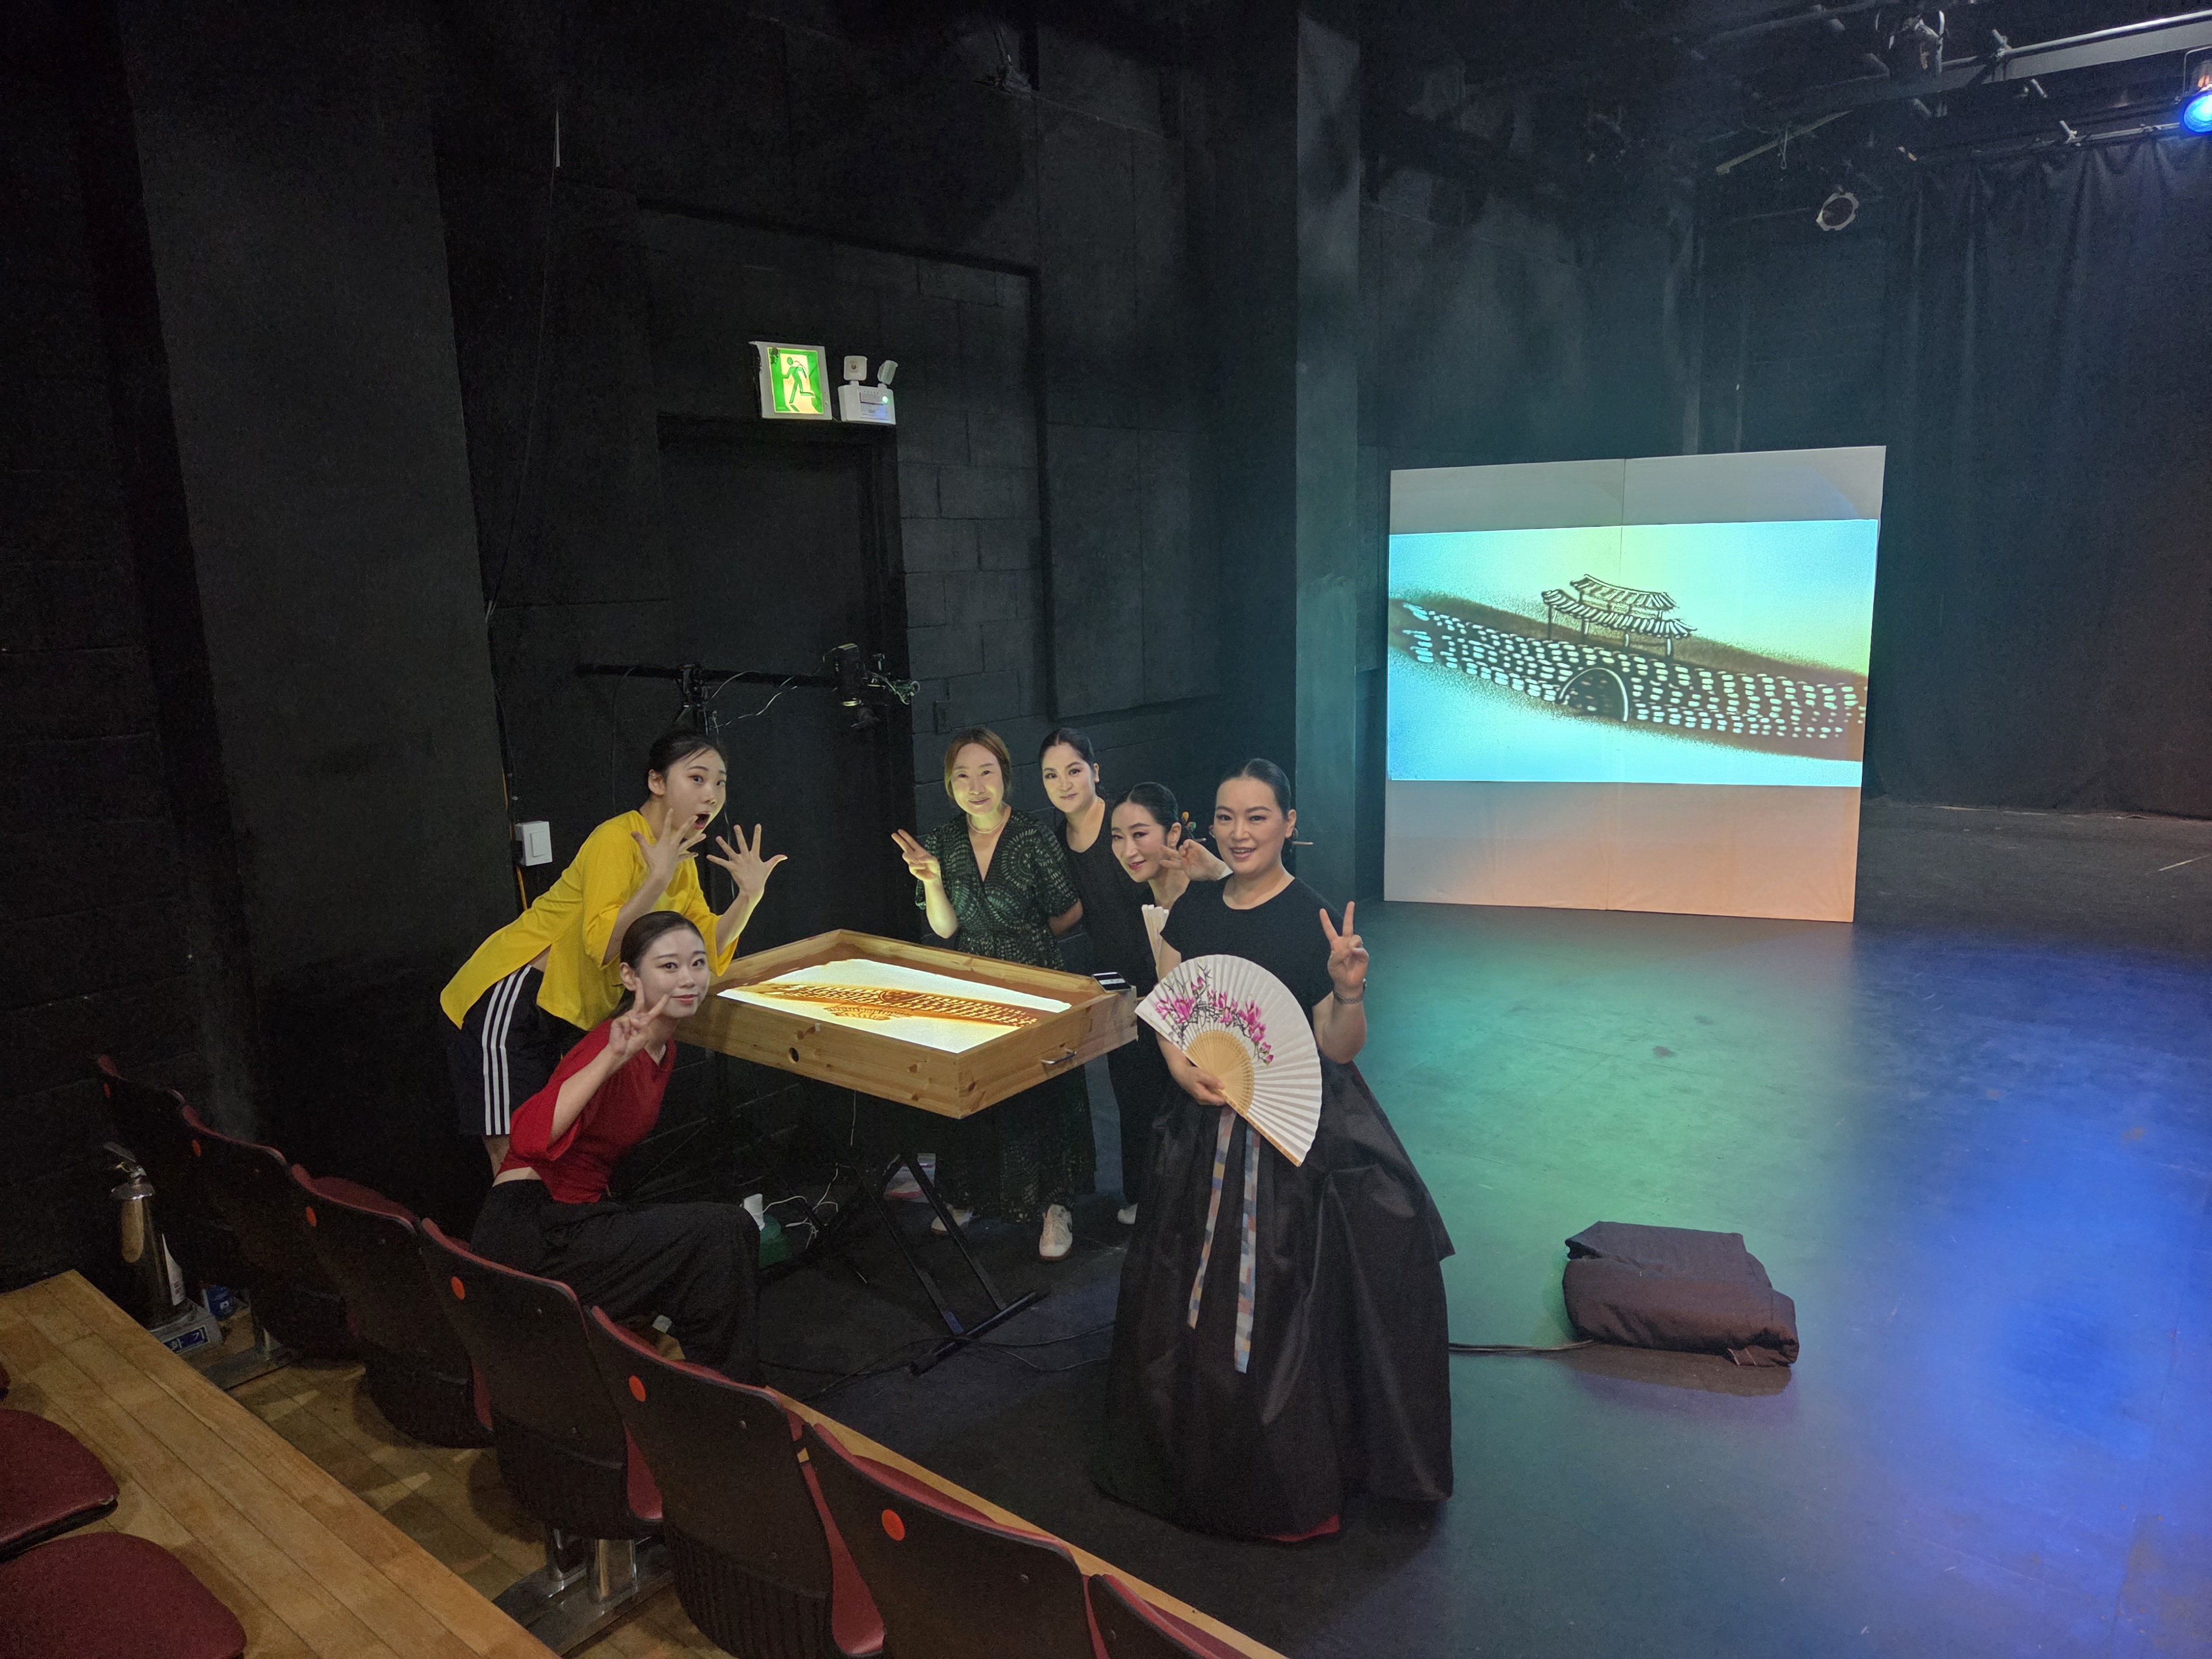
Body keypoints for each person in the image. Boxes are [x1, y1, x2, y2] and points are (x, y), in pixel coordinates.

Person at [1093, 759, 1454, 1540]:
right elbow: (1173, 1011)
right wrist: (1178, 1067)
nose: (1240, 832)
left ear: (1289, 824)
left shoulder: (1312, 917)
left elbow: (1339, 1047)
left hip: (1289, 1140)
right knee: (1185, 1286)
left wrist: (1349, 990)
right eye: (1226, 817)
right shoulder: (1194, 908)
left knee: (1280, 1296)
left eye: (1257, 817)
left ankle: (1278, 1472)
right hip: (1202, 1127)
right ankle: (1185, 1447)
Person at [441, 728, 785, 1171]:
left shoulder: (677, 859)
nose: (712, 795)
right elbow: (603, 945)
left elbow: (705, 946)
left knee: (556, 1147)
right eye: (697, 778)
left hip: (567, 1010)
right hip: (512, 994)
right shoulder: (617, 840)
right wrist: (655, 880)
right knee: (515, 1155)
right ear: (656, 782)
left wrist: (748, 898)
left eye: (720, 782)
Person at [471, 911, 761, 1382]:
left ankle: (706, 1384)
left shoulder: (663, 1047)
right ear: (630, 976)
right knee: (724, 1230)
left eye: (697, 964)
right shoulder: (610, 1044)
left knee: (714, 1234)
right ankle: (728, 1397)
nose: (688, 979)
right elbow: (528, 1139)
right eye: (669, 966)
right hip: (534, 1234)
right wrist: (610, 1057)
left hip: (577, 1221)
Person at [890, 726, 1093, 1260]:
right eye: (963, 776)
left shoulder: (1031, 835)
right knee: (977, 1087)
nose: (976, 786)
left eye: (987, 772)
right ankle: (969, 1194)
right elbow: (944, 929)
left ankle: (1055, 1205)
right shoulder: (941, 841)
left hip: (1033, 976)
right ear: (949, 784)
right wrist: (931, 880)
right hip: (973, 978)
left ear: (1004, 775)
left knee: (1041, 1090)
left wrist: (1033, 943)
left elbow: (1070, 909)